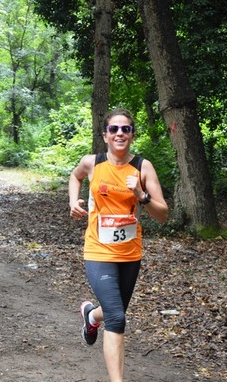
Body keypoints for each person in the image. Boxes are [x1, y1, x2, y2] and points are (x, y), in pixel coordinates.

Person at [68, 108, 168, 382]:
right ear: (105, 135)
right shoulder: (92, 163)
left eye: (125, 129)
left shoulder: (143, 167)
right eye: (114, 129)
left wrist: (141, 195)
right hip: (98, 249)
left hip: (130, 252)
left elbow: (162, 215)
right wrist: (73, 201)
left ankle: (91, 316)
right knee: (117, 318)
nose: (120, 133)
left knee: (115, 311)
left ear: (132, 134)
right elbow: (75, 176)